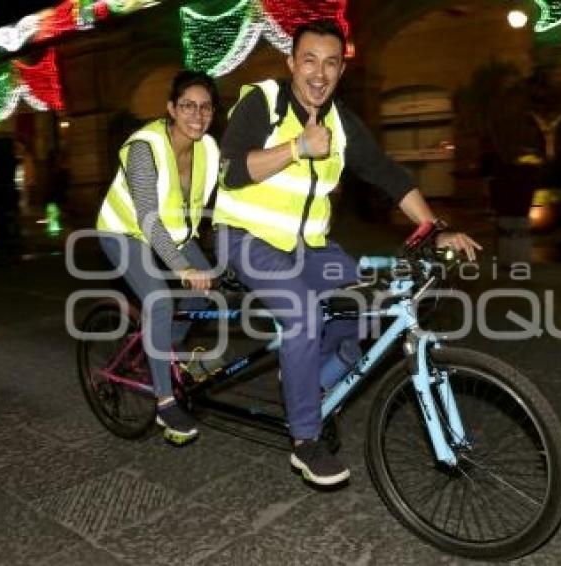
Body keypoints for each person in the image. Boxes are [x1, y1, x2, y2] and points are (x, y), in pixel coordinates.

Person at [213, 19, 481, 486]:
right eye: (310, 61)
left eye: (331, 64)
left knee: (367, 313)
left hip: (309, 247)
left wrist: (434, 230)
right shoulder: (264, 102)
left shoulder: (340, 123)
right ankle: (305, 438)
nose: (319, 73)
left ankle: (307, 380)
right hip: (246, 237)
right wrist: (297, 146)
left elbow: (387, 174)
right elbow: (233, 170)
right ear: (292, 63)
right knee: (305, 319)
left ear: (341, 71)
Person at [96, 70, 220, 445]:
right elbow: (149, 219)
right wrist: (182, 268)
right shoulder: (143, 148)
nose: (197, 115)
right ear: (171, 108)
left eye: (205, 107)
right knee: (161, 303)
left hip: (175, 234)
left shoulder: (209, 149)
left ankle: (166, 350)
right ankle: (165, 402)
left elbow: (225, 200)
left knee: (208, 291)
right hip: (124, 231)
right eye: (187, 106)